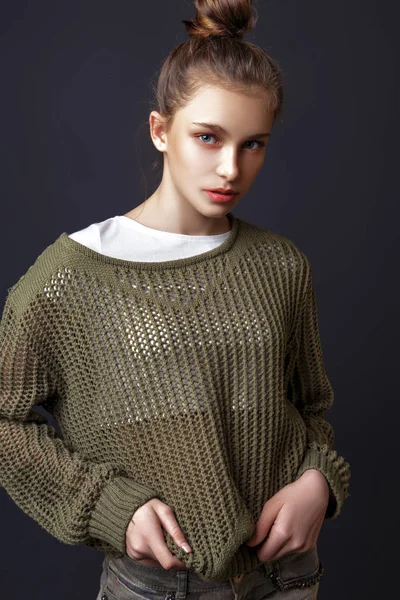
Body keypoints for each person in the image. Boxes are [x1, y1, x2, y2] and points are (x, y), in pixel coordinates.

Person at [0, 1, 351, 599]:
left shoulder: (280, 265)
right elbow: (6, 420)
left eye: (254, 144)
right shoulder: (72, 277)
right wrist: (112, 505)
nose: (230, 167)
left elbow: (310, 406)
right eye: (208, 137)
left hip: (287, 574)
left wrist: (320, 479)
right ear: (161, 130)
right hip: (159, 586)